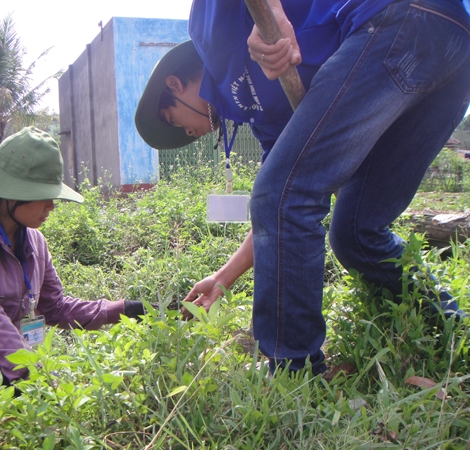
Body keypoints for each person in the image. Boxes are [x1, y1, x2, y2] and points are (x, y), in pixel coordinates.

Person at [135, 0, 470, 375]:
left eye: (174, 119)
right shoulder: (256, 115)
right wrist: (222, 279)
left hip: (399, 18)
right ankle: (456, 329)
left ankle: (291, 369)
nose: (188, 132)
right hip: (449, 50)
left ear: (175, 84)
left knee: (281, 194)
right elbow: (277, 212)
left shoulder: (208, 30)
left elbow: (279, 198)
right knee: (356, 233)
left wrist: (273, 12)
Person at [0, 127, 145, 385]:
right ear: (10, 193)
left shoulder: (35, 242)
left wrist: (123, 309)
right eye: (43, 196)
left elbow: (55, 308)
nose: (51, 206)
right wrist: (40, 375)